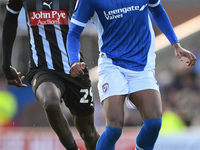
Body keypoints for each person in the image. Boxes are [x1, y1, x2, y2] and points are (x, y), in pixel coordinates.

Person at [66, 0, 197, 150]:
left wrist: (175, 43)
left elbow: (158, 11)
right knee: (114, 127)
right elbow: (74, 32)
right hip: (112, 65)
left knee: (154, 123)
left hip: (142, 65)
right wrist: (74, 61)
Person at [2, 0, 99, 150]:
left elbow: (99, 13)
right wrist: (6, 64)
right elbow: (9, 21)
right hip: (41, 69)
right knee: (51, 103)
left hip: (75, 69)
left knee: (89, 134)